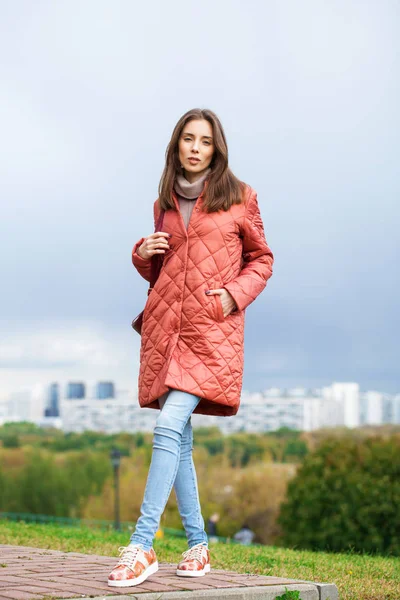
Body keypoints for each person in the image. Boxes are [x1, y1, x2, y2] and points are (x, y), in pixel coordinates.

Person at [108, 108, 274, 588]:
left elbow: (263, 260)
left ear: (216, 148)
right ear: (176, 146)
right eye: (188, 139)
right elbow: (164, 272)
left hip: (209, 333)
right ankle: (199, 546)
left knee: (166, 426)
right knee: (178, 441)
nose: (196, 147)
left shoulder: (241, 198)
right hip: (166, 331)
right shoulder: (162, 201)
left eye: (204, 140)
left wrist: (232, 294)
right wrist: (141, 254)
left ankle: (142, 545)